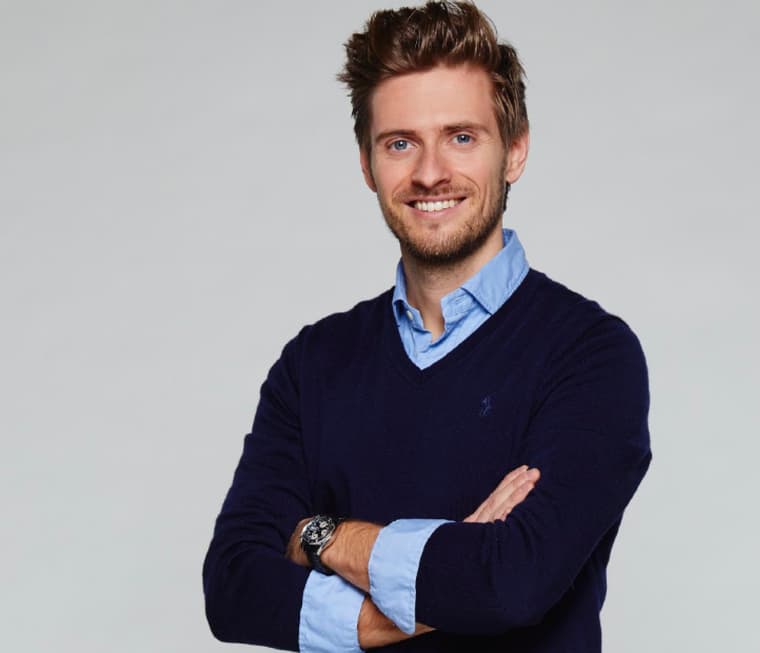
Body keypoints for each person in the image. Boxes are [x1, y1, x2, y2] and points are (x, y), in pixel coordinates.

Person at [203, 2, 651, 651]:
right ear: (367, 165)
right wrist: (449, 572)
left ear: (515, 151)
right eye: (400, 143)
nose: (430, 172)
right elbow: (232, 586)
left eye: (461, 137)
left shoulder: (589, 355)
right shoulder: (313, 364)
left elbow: (511, 583)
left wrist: (317, 536)